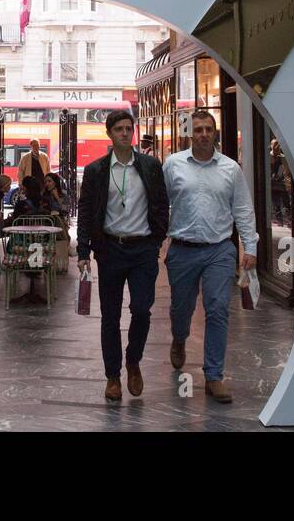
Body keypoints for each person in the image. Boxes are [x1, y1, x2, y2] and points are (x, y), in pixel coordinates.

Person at [162, 109, 257, 404]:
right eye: (198, 129)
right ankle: (179, 338)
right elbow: (159, 204)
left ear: (215, 133)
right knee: (182, 309)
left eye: (208, 129)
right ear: (191, 132)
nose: (203, 134)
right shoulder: (173, 165)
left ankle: (214, 375)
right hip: (182, 249)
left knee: (217, 310)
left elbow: (243, 209)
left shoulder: (230, 169)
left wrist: (249, 247)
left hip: (219, 250)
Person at [77, 110, 169, 403]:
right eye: (119, 129)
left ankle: (133, 360)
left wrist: (156, 241)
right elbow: (86, 211)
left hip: (143, 248)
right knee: (110, 316)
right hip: (110, 249)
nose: (125, 133)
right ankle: (113, 376)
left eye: (129, 128)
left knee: (142, 309)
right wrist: (83, 250)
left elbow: (162, 204)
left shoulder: (151, 166)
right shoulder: (96, 171)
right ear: (109, 133)